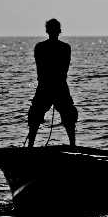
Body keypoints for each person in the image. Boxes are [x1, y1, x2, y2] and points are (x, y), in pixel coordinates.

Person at [27, 19, 78, 147]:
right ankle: (31, 145)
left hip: (53, 86)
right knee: (35, 116)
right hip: (50, 86)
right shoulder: (47, 48)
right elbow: (44, 69)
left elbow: (59, 70)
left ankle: (72, 145)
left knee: (68, 116)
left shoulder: (62, 48)